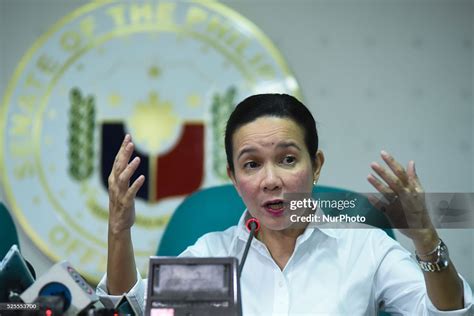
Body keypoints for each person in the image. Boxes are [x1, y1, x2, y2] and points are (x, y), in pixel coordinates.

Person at [97, 94, 472, 315]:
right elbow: (126, 309)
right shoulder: (212, 253)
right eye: (252, 164)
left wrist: (425, 239)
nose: (271, 179)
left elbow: (450, 313)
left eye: (288, 159)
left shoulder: (365, 249)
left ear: (317, 165)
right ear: (233, 177)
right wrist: (119, 229)